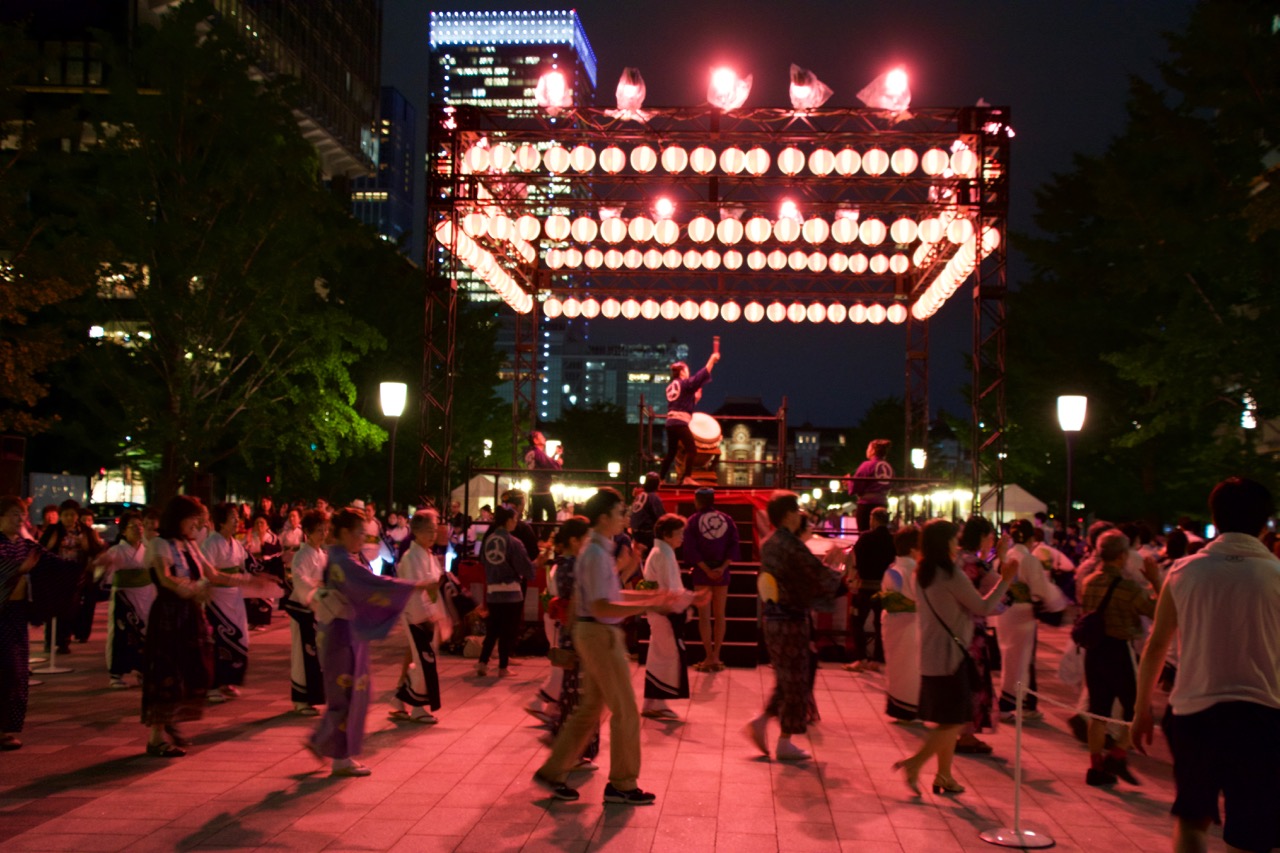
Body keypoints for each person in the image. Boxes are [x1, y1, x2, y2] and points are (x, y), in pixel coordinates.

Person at [1133, 478, 1280, 853]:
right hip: (1263, 714)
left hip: (1196, 712)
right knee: (1251, 830)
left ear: (1215, 516)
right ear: (1266, 523)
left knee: (1193, 819)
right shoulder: (1276, 575)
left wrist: (1141, 709)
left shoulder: (1185, 571)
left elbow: (1156, 646)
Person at [534, 488, 673, 805]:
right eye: (621, 511)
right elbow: (602, 606)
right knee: (625, 711)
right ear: (604, 517)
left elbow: (612, 599)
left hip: (596, 632)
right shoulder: (595, 554)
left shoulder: (599, 550)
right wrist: (648, 604)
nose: (626, 516)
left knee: (591, 710)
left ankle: (553, 772)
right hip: (599, 634)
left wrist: (652, 599)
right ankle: (622, 783)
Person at [307, 508, 437, 777]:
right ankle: (339, 755)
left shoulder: (343, 558)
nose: (362, 539)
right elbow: (374, 585)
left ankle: (325, 743)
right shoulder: (344, 562)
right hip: (342, 633)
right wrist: (417, 586)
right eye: (358, 533)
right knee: (348, 694)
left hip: (346, 632)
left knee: (351, 693)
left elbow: (371, 584)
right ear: (343, 533)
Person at [142, 496, 274, 757]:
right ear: (180, 518)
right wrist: (191, 589)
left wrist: (249, 580)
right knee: (167, 671)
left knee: (195, 668)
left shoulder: (189, 545)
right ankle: (156, 736)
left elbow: (212, 574)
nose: (199, 525)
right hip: (169, 615)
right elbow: (166, 579)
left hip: (189, 613)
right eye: (195, 520)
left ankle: (172, 720)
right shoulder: (160, 545)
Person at [893, 518, 1014, 797]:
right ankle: (915, 763)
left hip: (931, 653)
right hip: (953, 654)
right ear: (944, 542)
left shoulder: (921, 572)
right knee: (956, 720)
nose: (956, 543)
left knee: (948, 718)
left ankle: (944, 775)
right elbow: (983, 605)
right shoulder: (950, 574)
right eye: (953, 538)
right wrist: (1005, 580)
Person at [743, 491, 848, 761]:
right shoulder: (788, 544)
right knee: (796, 680)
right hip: (791, 619)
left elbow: (803, 574)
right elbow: (814, 574)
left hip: (775, 618)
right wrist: (836, 567)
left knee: (786, 678)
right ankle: (784, 740)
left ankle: (764, 721)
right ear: (790, 514)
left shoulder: (770, 542)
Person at [1078, 529, 1159, 787]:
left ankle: (1095, 765)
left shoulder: (1089, 581)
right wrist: (1156, 582)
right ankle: (1117, 754)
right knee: (1136, 707)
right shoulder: (1128, 587)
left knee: (1098, 710)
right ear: (1123, 555)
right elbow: (1156, 611)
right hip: (1119, 649)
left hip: (1094, 650)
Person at [1, 496, 79, 751]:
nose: (19, 519)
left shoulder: (26, 545)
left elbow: (54, 564)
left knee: (18, 672)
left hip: (17, 615)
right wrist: (18, 569)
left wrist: (84, 566)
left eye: (21, 514)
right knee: (6, 670)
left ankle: (5, 730)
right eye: (13, 514)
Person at [641, 514, 704, 720]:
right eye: (679, 533)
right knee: (667, 656)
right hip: (664, 612)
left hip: (660, 611)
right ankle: (656, 702)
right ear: (667, 535)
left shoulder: (659, 551)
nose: (682, 537)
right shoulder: (663, 554)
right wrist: (691, 599)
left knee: (660, 654)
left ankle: (653, 702)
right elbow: (671, 589)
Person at [996, 518, 1060, 721]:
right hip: (1023, 613)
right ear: (1031, 538)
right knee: (1023, 660)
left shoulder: (1005, 557)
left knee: (1010, 657)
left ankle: (1021, 702)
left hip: (1006, 612)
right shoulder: (1029, 560)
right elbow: (1039, 590)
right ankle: (1014, 703)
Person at [390, 509, 449, 724]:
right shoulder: (410, 557)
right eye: (428, 531)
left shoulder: (427, 555)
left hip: (427, 613)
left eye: (434, 530)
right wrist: (428, 587)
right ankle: (417, 706)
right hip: (415, 614)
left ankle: (400, 699)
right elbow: (409, 585)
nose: (433, 535)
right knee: (425, 660)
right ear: (416, 531)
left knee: (424, 659)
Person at [955, 516, 1007, 755]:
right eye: (991, 538)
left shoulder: (954, 559)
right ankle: (965, 734)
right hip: (972, 632)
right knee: (974, 682)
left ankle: (957, 731)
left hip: (951, 628)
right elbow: (1003, 600)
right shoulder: (978, 566)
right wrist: (1004, 562)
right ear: (984, 538)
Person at [475, 506, 541, 678]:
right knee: (507, 630)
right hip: (511, 592)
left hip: (492, 591)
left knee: (492, 629)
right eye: (515, 519)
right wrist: (538, 562)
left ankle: (482, 663)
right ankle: (502, 667)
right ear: (509, 520)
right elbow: (527, 569)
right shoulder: (514, 542)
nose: (516, 522)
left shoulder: (489, 540)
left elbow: (483, 561)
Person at [93, 512, 155, 689]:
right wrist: (101, 562)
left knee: (144, 633)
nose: (138, 529)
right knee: (121, 635)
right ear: (123, 531)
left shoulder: (147, 548)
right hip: (124, 597)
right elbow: (104, 563)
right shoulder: (117, 550)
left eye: (140, 526)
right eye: (133, 526)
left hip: (145, 595)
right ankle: (116, 674)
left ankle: (143, 670)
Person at [684, 488, 739, 672]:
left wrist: (706, 569)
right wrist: (722, 568)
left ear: (698, 501)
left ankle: (708, 656)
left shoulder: (692, 521)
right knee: (720, 615)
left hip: (702, 571)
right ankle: (716, 655)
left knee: (704, 617)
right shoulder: (727, 519)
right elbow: (733, 544)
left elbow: (690, 548)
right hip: (721, 571)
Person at [201, 503, 251, 700]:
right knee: (218, 641)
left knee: (239, 638)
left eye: (237, 517)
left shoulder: (237, 545)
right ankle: (213, 685)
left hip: (235, 597)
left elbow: (245, 567)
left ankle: (228, 681)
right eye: (232, 518)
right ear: (221, 522)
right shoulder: (210, 544)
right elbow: (208, 573)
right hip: (217, 598)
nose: (237, 521)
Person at [284, 510, 328, 715]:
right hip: (303, 610)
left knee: (314, 655)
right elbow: (300, 581)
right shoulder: (302, 555)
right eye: (319, 530)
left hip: (316, 609)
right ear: (308, 532)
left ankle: (311, 697)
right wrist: (319, 587)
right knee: (302, 655)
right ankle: (300, 699)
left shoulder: (321, 555)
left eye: (325, 529)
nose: (323, 534)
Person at [657, 349, 720, 483]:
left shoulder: (670, 387)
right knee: (692, 450)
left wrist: (695, 399)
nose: (689, 373)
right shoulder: (685, 383)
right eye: (687, 370)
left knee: (671, 452)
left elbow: (681, 402)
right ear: (682, 372)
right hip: (680, 423)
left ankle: (661, 479)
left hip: (670, 423)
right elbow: (701, 376)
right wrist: (712, 360)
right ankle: (687, 477)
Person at [880, 524, 921, 722]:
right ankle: (912, 709)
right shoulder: (915, 572)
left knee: (897, 668)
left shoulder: (893, 570)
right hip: (912, 625)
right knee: (912, 669)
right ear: (914, 549)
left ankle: (900, 707)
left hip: (893, 622)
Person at [848, 506, 894, 672]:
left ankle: (862, 658)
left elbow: (856, 559)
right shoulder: (892, 539)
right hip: (884, 587)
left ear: (873, 519)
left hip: (865, 586)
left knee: (856, 621)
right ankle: (878, 660)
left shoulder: (866, 538)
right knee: (880, 624)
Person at [524, 431, 563, 537]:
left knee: (537, 518)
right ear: (535, 440)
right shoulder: (538, 453)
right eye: (541, 437)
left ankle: (535, 540)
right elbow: (552, 467)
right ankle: (544, 538)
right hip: (543, 489)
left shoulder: (532, 453)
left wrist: (555, 455)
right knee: (552, 515)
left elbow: (547, 463)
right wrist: (558, 462)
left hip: (535, 488)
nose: (544, 438)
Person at [851, 439, 893, 533]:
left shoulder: (867, 465)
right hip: (883, 503)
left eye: (868, 448)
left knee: (864, 533)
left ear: (873, 450)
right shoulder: (889, 467)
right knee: (880, 533)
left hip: (867, 505)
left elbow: (856, 487)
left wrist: (849, 482)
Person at [628, 473, 665, 554]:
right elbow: (661, 518)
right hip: (647, 535)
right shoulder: (653, 498)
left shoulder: (639, 496)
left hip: (635, 534)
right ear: (657, 484)